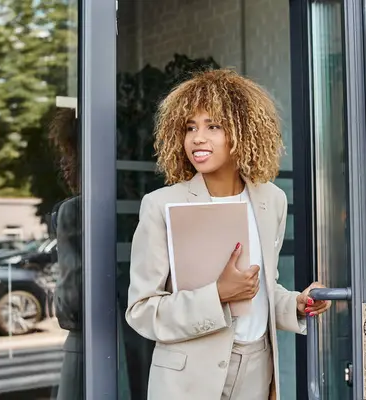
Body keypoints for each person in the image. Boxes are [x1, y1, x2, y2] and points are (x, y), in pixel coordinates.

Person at [125, 69, 331, 400]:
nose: (197, 138)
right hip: (189, 378)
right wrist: (217, 294)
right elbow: (142, 310)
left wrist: (297, 303)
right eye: (190, 127)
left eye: (213, 126)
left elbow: (263, 286)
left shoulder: (271, 200)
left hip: (257, 368)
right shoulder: (161, 205)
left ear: (243, 132)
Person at [47, 107, 83, 400]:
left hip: (87, 350)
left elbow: (70, 306)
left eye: (68, 153)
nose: (63, 164)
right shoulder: (141, 205)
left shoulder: (72, 211)